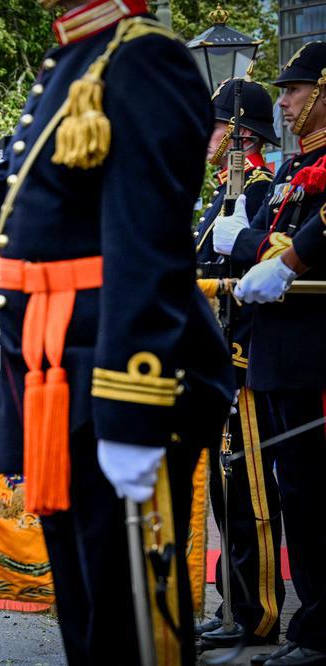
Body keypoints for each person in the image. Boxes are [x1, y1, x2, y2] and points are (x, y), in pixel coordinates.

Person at [0, 1, 234, 662]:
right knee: (86, 622)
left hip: (113, 379)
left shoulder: (144, 58)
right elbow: (1, 227)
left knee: (131, 629)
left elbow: (149, 244)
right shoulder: (72, 58)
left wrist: (131, 404)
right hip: (51, 378)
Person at [213, 41, 326, 666]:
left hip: (311, 352)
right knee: (301, 497)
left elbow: (293, 245)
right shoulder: (292, 171)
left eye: (295, 90)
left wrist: (266, 252)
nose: (284, 102)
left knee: (312, 495)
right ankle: (313, 624)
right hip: (277, 352)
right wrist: (258, 245)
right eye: (281, 92)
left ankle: (319, 628)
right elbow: (271, 239)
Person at [192, 78, 285, 651]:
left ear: (237, 133)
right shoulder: (220, 197)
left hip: (240, 363)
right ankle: (234, 604)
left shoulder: (258, 190)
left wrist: (236, 360)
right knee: (226, 497)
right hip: (216, 363)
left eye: (214, 126)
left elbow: (253, 282)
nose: (205, 136)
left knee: (250, 494)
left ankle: (259, 613)